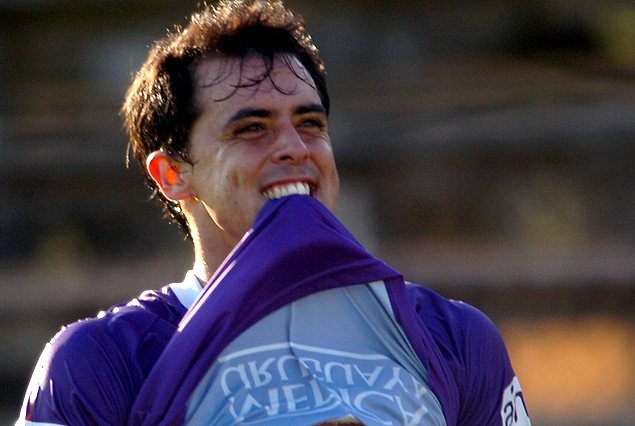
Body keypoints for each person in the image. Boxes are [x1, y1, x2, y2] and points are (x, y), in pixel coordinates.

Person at [16, 1, 531, 426]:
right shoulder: (101, 363)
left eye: (310, 124)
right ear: (172, 174)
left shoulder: (452, 338)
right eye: (252, 129)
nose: (295, 148)